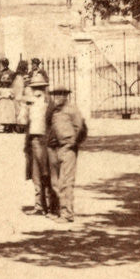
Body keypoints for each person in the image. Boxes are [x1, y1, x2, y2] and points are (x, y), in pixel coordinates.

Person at [46, 86, 87, 224]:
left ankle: (67, 213)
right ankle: (58, 210)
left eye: (60, 94)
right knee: (55, 182)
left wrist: (72, 143)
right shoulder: (52, 111)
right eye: (55, 95)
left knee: (66, 181)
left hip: (67, 148)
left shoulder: (72, 110)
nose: (57, 97)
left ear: (66, 95)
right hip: (53, 147)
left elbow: (80, 128)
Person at [22, 72, 57, 216]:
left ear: (44, 88)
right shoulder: (31, 105)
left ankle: (51, 207)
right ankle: (39, 206)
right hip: (33, 141)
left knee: (47, 174)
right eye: (34, 88)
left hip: (45, 141)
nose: (37, 91)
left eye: (40, 88)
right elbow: (25, 123)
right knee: (35, 174)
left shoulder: (49, 104)